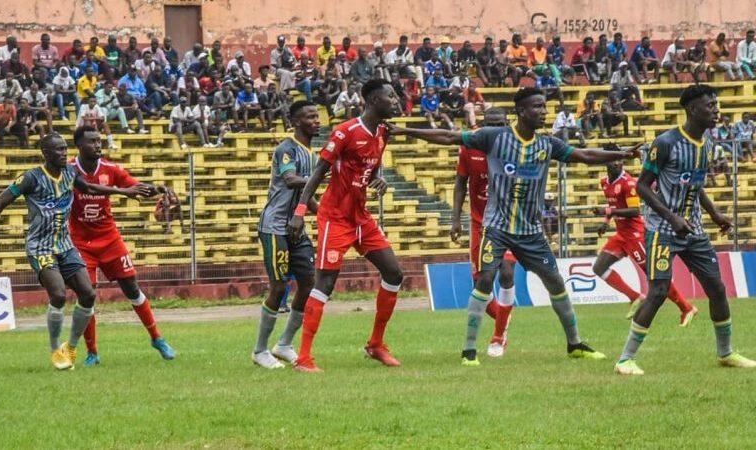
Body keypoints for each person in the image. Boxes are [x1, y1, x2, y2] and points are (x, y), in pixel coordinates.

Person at [389, 87, 643, 365]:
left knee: (556, 283)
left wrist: (621, 154)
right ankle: (469, 350)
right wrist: (407, 131)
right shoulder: (494, 137)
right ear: (522, 111)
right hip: (497, 227)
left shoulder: (548, 144)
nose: (544, 112)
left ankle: (575, 343)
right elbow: (449, 137)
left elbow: (584, 155)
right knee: (486, 279)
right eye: (538, 107)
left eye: (545, 107)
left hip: (531, 231)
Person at [614, 84, 756, 375]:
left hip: (693, 231)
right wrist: (672, 217)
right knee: (658, 291)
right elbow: (642, 186)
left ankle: (726, 352)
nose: (716, 110)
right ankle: (625, 359)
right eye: (710, 105)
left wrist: (715, 214)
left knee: (716, 288)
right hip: (663, 230)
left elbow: (695, 184)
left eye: (716, 105)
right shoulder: (665, 143)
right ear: (692, 109)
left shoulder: (709, 144)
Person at [0, 133, 150, 370]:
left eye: (65, 149)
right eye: (58, 150)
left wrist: (124, 192)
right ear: (45, 153)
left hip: (65, 246)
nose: (64, 153)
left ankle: (70, 347)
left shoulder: (71, 173)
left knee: (88, 294)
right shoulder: (30, 178)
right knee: (59, 294)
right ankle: (55, 349)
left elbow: (91, 188)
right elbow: (1, 201)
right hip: (41, 247)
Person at [287, 79, 403, 372]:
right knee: (325, 283)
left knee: (394, 272)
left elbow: (372, 168)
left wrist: (380, 179)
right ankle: (304, 357)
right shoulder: (345, 132)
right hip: (336, 217)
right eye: (390, 96)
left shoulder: (382, 132)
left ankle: (376, 344)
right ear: (374, 100)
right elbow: (317, 173)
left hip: (361, 216)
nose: (395, 100)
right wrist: (300, 211)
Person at [68, 126, 176, 366]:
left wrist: (159, 189)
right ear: (79, 145)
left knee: (132, 288)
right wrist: (123, 191)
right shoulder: (68, 169)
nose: (97, 145)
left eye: (99, 141)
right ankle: (92, 352)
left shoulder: (110, 169)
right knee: (87, 296)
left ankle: (157, 338)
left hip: (109, 238)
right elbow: (91, 188)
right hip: (80, 243)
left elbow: (135, 188)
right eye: (92, 141)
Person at [592, 143, 696, 323]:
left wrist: (608, 212)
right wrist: (606, 222)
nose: (618, 164)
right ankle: (634, 297)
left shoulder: (629, 184)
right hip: (621, 235)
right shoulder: (605, 183)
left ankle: (686, 308)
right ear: (607, 162)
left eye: (620, 160)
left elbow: (634, 211)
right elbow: (614, 206)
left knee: (655, 275)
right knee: (598, 267)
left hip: (635, 235)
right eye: (614, 160)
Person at [252, 101, 321, 369]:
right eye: (309, 117)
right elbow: (291, 180)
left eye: (317, 115)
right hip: (275, 227)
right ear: (295, 122)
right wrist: (325, 176)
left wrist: (325, 212)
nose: (316, 120)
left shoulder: (312, 155)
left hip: (297, 227)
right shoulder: (286, 149)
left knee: (308, 282)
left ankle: (284, 344)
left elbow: (307, 194)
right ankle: (259, 350)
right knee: (279, 287)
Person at [451, 108, 517, 358]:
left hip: (509, 222)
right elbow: (460, 183)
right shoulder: (470, 146)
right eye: (490, 124)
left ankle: (499, 337)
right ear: (482, 125)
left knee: (507, 272)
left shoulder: (517, 146)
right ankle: (504, 318)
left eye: (499, 124)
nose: (494, 129)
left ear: (507, 124)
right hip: (480, 222)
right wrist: (455, 219)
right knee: (481, 283)